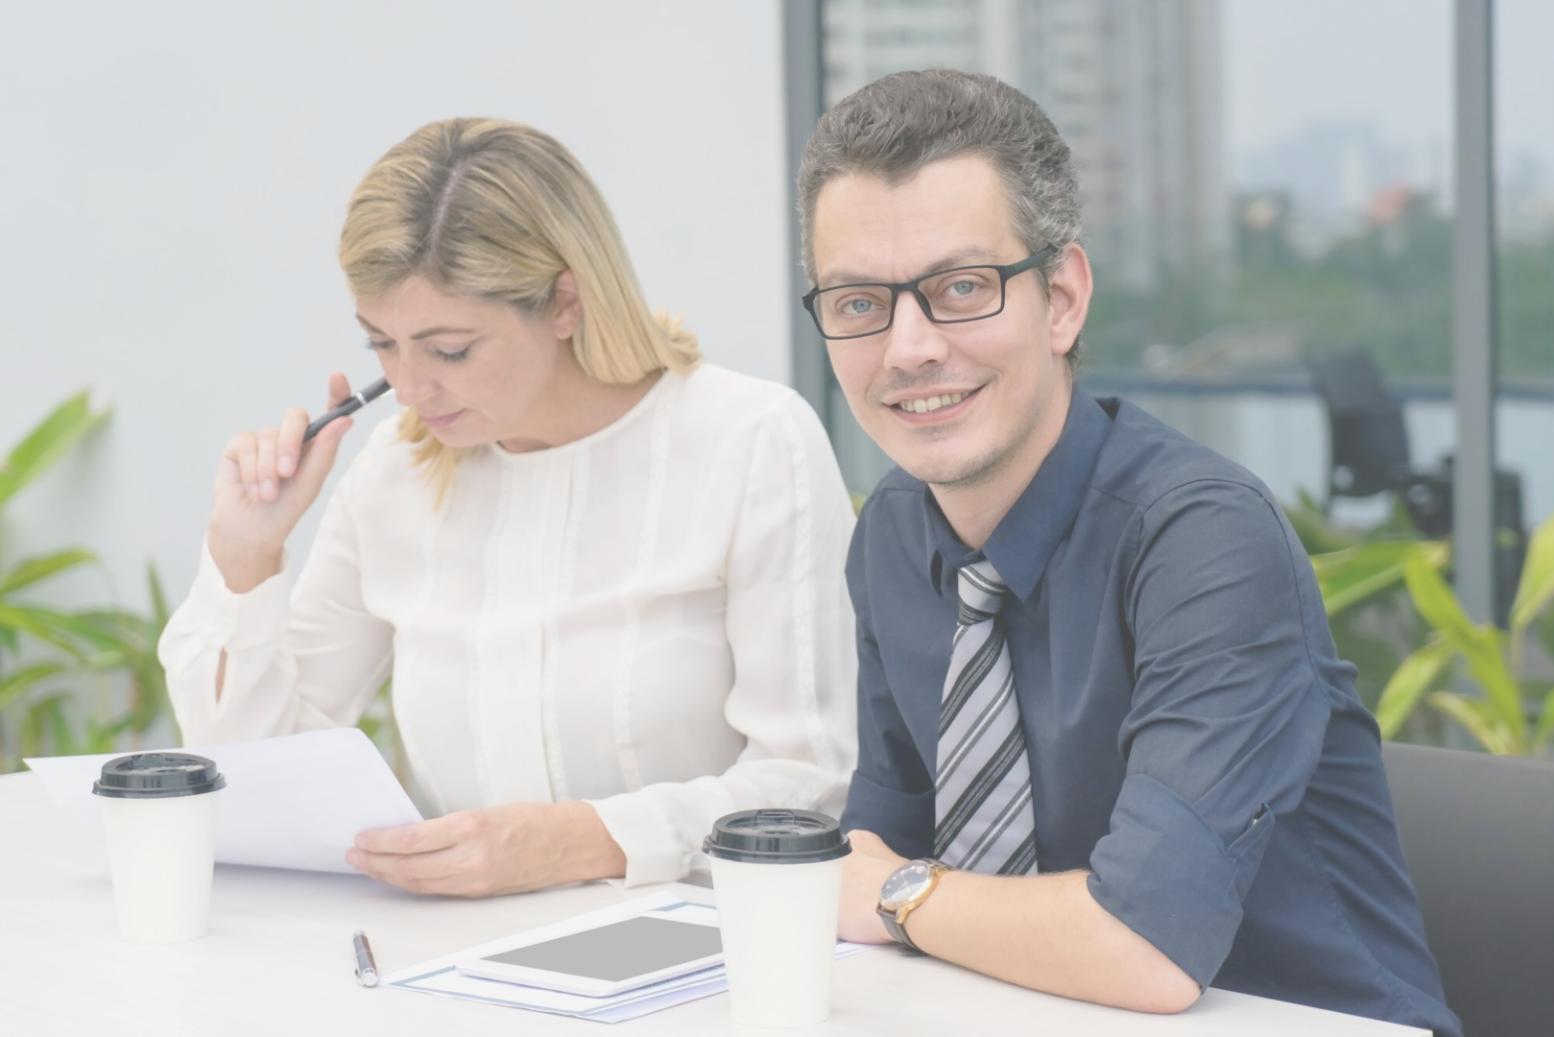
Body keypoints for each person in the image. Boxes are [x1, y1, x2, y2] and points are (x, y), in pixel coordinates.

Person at [800, 70, 1459, 1036]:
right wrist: (886, 887)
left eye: (961, 289)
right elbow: (872, 848)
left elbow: (1143, 943)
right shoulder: (896, 532)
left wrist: (900, 894)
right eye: (860, 302)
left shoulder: (1205, 538)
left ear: (1061, 298)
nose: (907, 348)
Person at [160, 117, 857, 896]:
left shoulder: (752, 442)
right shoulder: (394, 473)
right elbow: (254, 781)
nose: (414, 389)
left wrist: (590, 840)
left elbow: (812, 777)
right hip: (459, 966)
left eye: (450, 349)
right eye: (381, 346)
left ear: (565, 301)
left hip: (706, 962)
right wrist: (245, 556)